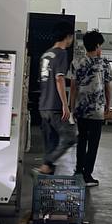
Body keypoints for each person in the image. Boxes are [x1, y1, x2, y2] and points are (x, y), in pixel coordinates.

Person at [70, 30, 112, 187]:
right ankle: (87, 176)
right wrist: (108, 104)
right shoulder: (104, 63)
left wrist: (72, 107)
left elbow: (73, 87)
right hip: (97, 111)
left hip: (81, 109)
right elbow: (107, 87)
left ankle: (78, 171)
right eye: (100, 45)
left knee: (81, 140)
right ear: (97, 45)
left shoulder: (77, 62)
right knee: (93, 144)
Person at [37, 23, 77, 175]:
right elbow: (59, 79)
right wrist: (65, 105)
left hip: (43, 106)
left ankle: (47, 172)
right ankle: (46, 164)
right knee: (70, 137)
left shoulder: (46, 54)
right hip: (55, 105)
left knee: (51, 143)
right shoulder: (61, 53)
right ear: (68, 37)